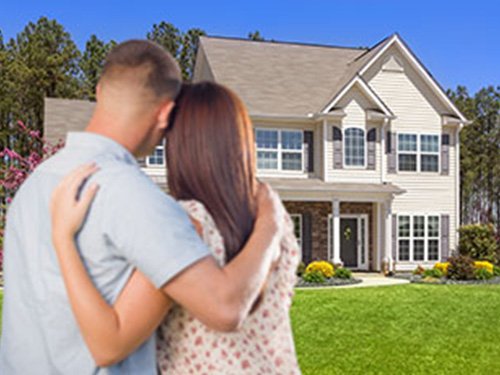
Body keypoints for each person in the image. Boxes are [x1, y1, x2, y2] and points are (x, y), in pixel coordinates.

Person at [0, 40, 285, 374]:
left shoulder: (35, 185)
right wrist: (270, 223)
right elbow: (225, 308)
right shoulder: (135, 197)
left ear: (99, 91)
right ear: (165, 113)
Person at [50, 82, 302, 374]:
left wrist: (63, 237)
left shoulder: (185, 224)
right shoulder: (274, 220)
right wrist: (269, 219)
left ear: (180, 146)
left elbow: (110, 344)